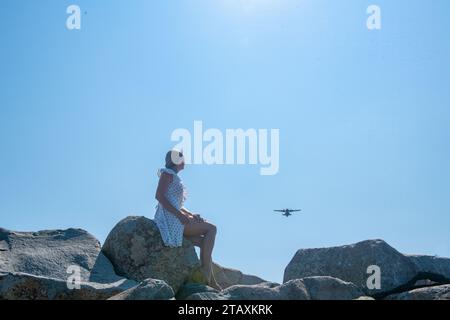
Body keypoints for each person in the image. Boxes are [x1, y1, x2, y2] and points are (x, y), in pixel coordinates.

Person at [154, 150, 222, 290]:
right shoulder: (167, 173)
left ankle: (211, 281)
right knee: (212, 228)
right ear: (176, 160)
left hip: (175, 215)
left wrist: (191, 214)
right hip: (171, 219)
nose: (185, 160)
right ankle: (205, 271)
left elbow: (177, 203)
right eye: (182, 157)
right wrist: (179, 215)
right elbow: (159, 196)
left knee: (205, 242)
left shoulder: (174, 176)